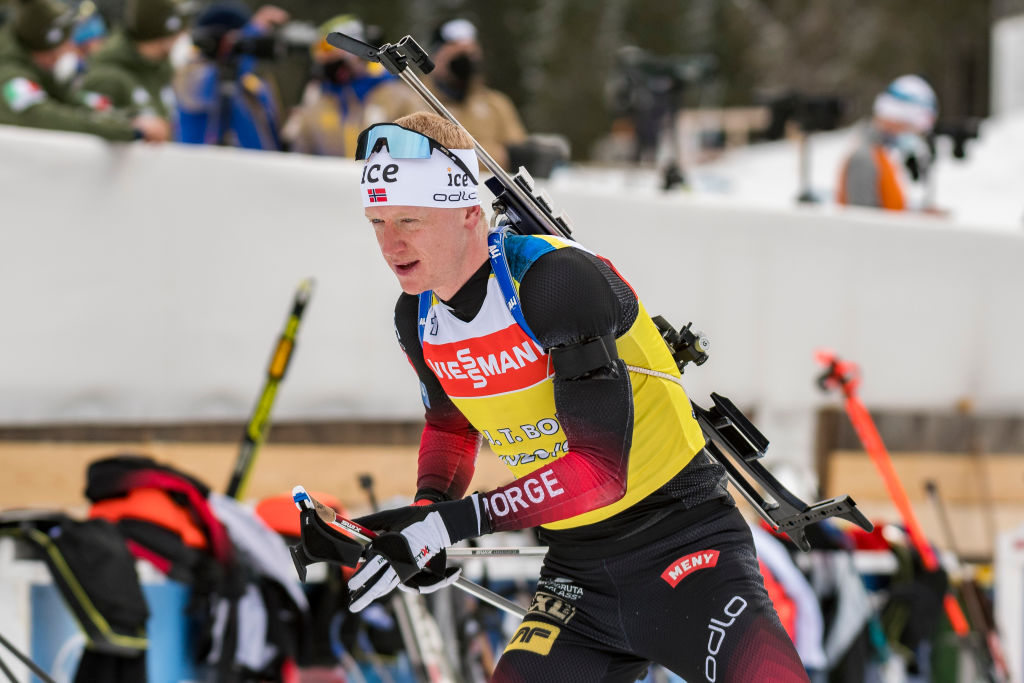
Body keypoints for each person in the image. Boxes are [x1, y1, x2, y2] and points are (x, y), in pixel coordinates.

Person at [340, 110, 811, 682]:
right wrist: (422, 516)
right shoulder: (417, 316)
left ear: (468, 213)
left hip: (682, 547)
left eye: (409, 219)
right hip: (577, 579)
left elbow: (598, 473)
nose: (392, 243)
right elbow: (450, 427)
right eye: (377, 222)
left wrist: (448, 525)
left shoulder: (553, 281)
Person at [364, 18, 526, 170]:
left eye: (470, 55)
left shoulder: (496, 103)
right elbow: (372, 150)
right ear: (436, 55)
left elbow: (519, 157)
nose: (465, 64)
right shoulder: (401, 98)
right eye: (457, 56)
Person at [0, 0, 168, 141]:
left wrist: (128, 119)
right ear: (46, 47)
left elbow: (73, 103)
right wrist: (130, 131)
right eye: (63, 46)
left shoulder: (44, 73)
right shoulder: (9, 74)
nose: (70, 50)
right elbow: (40, 116)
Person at [281, 14, 407, 157]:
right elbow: (297, 153)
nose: (324, 60)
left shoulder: (398, 95)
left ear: (353, 48)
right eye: (319, 52)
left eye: (328, 49)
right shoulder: (317, 99)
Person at [173, 2, 287, 148]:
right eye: (238, 40)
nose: (244, 48)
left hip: (252, 167)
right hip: (203, 166)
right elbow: (209, 86)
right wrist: (253, 31)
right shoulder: (191, 77)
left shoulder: (252, 85)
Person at [75, 0, 193, 123]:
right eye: (179, 34)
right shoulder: (108, 76)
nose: (184, 37)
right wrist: (133, 125)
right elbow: (92, 124)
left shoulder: (161, 67)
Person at [837, 74, 938, 212]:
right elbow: (863, 226)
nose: (914, 135)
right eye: (911, 128)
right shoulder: (865, 158)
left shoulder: (884, 155)